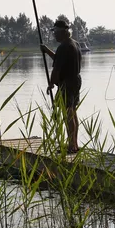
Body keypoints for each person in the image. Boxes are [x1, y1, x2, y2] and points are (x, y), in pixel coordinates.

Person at [40, 19, 82, 153]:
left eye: (56, 32)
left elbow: (56, 69)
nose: (55, 35)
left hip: (67, 82)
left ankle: (71, 146)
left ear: (63, 32)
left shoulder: (64, 47)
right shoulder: (74, 44)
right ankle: (74, 144)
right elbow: (59, 59)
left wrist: (51, 84)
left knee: (68, 113)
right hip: (75, 80)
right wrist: (47, 51)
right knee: (72, 111)